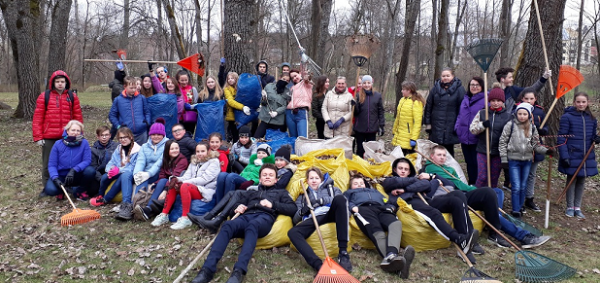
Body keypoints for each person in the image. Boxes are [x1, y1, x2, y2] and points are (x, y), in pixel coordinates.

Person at [424, 145, 551, 249]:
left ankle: (494, 230)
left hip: (461, 194)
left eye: (444, 155)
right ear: (432, 156)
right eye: (439, 155)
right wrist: (473, 189)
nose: (442, 157)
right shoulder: (431, 168)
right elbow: (456, 184)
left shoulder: (448, 168)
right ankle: (522, 235)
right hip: (451, 198)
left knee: (492, 192)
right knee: (488, 197)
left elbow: (459, 183)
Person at [191, 164, 297, 283]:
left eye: (271, 175)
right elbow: (233, 210)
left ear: (276, 179)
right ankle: (207, 270)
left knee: (253, 226)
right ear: (260, 179)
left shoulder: (281, 193)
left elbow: (292, 208)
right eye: (264, 175)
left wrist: (273, 205)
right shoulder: (251, 193)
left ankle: (239, 271)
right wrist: (237, 208)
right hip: (246, 216)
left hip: (264, 218)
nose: (267, 177)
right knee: (227, 225)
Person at [382, 158, 478, 264]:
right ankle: (458, 239)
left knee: (456, 201)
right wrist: (414, 183)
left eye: (406, 169)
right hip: (408, 203)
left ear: (409, 172)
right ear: (395, 169)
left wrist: (406, 189)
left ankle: (465, 240)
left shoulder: (413, 180)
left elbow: (426, 184)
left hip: (426, 201)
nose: (403, 171)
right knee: (434, 214)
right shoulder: (389, 180)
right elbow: (395, 182)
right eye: (400, 168)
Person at [189, 145, 297, 233]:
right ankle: (210, 217)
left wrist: (258, 185)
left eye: (281, 160)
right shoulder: (273, 169)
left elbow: (278, 187)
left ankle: (216, 220)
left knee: (235, 190)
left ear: (287, 161)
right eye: (277, 159)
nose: (278, 162)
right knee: (232, 193)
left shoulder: (287, 172)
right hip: (260, 191)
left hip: (265, 197)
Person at [345, 175, 415, 278]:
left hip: (381, 209)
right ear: (351, 187)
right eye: (356, 183)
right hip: (364, 209)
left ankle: (391, 255)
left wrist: (390, 207)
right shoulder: (349, 192)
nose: (359, 185)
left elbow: (386, 201)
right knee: (377, 232)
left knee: (395, 224)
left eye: (361, 183)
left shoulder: (375, 192)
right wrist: (353, 207)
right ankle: (395, 261)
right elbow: (344, 201)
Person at [495, 67, 551, 190]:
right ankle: (497, 184)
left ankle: (510, 183)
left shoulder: (513, 90)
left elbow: (531, 91)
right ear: (503, 79)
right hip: (497, 127)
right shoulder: (494, 91)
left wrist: (543, 78)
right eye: (510, 77)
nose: (512, 79)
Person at [287, 167, 352, 273]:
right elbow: (295, 219)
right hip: (313, 217)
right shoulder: (303, 196)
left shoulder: (332, 189)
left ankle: (343, 253)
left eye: (316, 178)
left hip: (330, 213)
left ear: (321, 179)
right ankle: (318, 265)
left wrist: (321, 201)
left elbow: (343, 203)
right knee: (293, 232)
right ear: (307, 181)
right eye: (311, 178)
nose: (313, 180)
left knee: (340, 199)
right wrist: (303, 210)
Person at [33, 70, 83, 194]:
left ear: (66, 83)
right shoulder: (45, 96)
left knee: (68, 160)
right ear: (53, 83)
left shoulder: (72, 97)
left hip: (67, 136)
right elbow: (38, 117)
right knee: (48, 161)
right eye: (57, 81)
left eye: (62, 81)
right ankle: (47, 186)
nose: (60, 84)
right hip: (49, 136)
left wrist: (79, 132)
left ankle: (67, 185)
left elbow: (77, 116)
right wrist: (38, 136)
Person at [499, 103, 552, 218]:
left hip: (527, 160)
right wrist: (504, 158)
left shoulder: (532, 127)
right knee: (516, 185)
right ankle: (515, 209)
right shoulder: (510, 125)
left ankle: (520, 205)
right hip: (514, 160)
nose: (522, 116)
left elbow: (536, 145)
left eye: (524, 114)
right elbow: (502, 142)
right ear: (516, 114)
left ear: (529, 115)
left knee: (523, 185)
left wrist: (546, 151)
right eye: (520, 113)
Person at [151, 142, 221, 229]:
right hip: (191, 187)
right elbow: (186, 176)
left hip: (205, 191)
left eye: (202, 151)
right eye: (198, 151)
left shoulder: (214, 162)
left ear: (208, 151)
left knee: (184, 186)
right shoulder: (194, 162)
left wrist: (183, 183)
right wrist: (176, 179)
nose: (200, 154)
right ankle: (164, 214)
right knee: (174, 184)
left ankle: (185, 218)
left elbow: (204, 179)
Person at [557, 92, 599, 219]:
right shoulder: (567, 117)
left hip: (586, 154)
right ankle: (570, 206)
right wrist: (564, 156)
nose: (581, 104)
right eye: (578, 102)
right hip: (572, 153)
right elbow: (561, 138)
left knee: (581, 180)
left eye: (583, 102)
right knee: (572, 179)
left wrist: (597, 139)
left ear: (588, 103)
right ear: (574, 103)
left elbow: (592, 137)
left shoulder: (592, 118)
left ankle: (577, 207)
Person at [90, 127, 141, 221]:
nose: (123, 139)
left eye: (126, 137)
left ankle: (126, 205)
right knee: (105, 176)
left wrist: (119, 170)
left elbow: (134, 167)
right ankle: (101, 195)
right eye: (121, 138)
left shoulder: (137, 150)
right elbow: (111, 163)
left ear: (131, 137)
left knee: (124, 176)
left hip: (131, 174)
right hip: (120, 171)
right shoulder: (119, 149)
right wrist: (111, 170)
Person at [134, 140, 188, 221]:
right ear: (167, 150)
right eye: (172, 149)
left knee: (163, 181)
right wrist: (155, 184)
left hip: (175, 185)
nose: (175, 150)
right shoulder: (166, 159)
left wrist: (165, 190)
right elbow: (162, 174)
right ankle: (147, 208)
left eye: (176, 148)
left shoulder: (182, 160)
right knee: (162, 180)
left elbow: (175, 177)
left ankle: (148, 209)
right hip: (167, 183)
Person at [469, 84, 512, 188]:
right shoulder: (483, 113)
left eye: (498, 100)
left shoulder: (508, 116)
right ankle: (475, 197)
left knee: (493, 178)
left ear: (502, 101)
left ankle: (490, 199)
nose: (495, 103)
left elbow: (511, 134)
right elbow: (472, 129)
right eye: (493, 100)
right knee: (482, 176)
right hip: (483, 150)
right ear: (489, 101)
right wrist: (482, 125)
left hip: (498, 152)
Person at [517, 88, 549, 212]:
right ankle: (519, 201)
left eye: (531, 99)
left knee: (531, 175)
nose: (529, 101)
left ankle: (529, 198)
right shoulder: (518, 111)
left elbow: (546, 127)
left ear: (535, 99)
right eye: (526, 99)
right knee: (521, 175)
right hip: (521, 149)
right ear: (522, 99)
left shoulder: (540, 112)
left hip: (535, 149)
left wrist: (543, 131)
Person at [44, 120, 92, 201]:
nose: (75, 132)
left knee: (90, 171)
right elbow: (52, 165)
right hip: (61, 175)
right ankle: (62, 190)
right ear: (67, 131)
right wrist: (55, 178)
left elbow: (87, 160)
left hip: (76, 174)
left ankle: (79, 191)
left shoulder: (84, 143)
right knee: (50, 190)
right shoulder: (58, 144)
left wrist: (74, 169)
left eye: (78, 130)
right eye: (73, 130)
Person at [423, 68, 465, 156]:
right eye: (443, 76)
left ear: (452, 76)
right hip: (436, 125)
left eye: (448, 76)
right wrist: (428, 123)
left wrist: (459, 125)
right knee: (435, 150)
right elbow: (429, 106)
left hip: (451, 125)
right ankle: (436, 169)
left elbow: (462, 109)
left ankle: (449, 169)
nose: (445, 78)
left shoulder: (459, 89)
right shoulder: (435, 89)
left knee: (448, 151)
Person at [454, 77, 486, 185]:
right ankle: (471, 182)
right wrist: (457, 127)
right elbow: (460, 115)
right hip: (464, 136)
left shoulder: (486, 100)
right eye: (472, 85)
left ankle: (478, 184)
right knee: (469, 162)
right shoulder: (465, 98)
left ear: (481, 87)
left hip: (477, 137)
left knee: (477, 163)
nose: (474, 87)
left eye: (477, 85)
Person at [109, 76, 151, 145]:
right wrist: (118, 126)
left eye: (135, 88)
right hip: (126, 134)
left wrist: (147, 122)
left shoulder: (141, 98)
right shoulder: (118, 100)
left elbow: (147, 112)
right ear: (125, 86)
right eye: (131, 88)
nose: (134, 90)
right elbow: (112, 115)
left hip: (141, 132)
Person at [132, 118, 169, 196]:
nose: (156, 137)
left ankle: (138, 203)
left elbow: (159, 163)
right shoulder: (144, 146)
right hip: (146, 173)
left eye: (158, 134)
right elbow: (140, 161)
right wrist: (137, 173)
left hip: (159, 173)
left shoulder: (167, 145)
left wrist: (148, 174)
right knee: (142, 178)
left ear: (163, 135)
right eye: (153, 134)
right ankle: (136, 202)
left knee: (145, 177)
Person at [353, 75, 384, 158]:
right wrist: (354, 105)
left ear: (371, 83)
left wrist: (381, 125)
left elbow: (380, 111)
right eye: (365, 83)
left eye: (368, 83)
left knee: (370, 150)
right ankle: (359, 165)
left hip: (372, 128)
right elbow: (356, 113)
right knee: (360, 149)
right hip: (360, 128)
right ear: (362, 84)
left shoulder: (377, 96)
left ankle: (369, 166)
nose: (366, 85)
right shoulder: (358, 95)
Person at [84, 125, 118, 197]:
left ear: (110, 135)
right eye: (101, 135)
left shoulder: (117, 146)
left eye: (106, 135)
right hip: (100, 175)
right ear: (98, 136)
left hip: (114, 173)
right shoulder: (93, 150)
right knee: (92, 191)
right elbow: (94, 167)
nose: (104, 137)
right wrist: (102, 179)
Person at [392, 81, 424, 155]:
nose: (401, 91)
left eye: (403, 89)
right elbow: (398, 118)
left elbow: (417, 122)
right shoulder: (402, 100)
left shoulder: (416, 102)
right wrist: (394, 131)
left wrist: (413, 138)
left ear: (409, 90)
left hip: (408, 137)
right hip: (399, 135)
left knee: (408, 160)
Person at [286, 70, 313, 138]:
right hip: (290, 113)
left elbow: (307, 79)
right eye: (292, 78)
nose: (294, 78)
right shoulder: (291, 88)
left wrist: (306, 77)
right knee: (293, 138)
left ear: (300, 74)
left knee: (302, 138)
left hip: (301, 112)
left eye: (295, 76)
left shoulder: (305, 84)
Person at [223, 72, 244, 142]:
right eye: (228, 79)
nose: (230, 80)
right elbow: (230, 101)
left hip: (242, 115)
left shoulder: (240, 88)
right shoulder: (227, 89)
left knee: (242, 134)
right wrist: (242, 107)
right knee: (235, 135)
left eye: (232, 78)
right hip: (232, 116)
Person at [176, 70, 199, 134]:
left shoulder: (192, 89)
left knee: (189, 134)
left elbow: (196, 102)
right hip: (179, 117)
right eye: (182, 80)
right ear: (178, 80)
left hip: (190, 117)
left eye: (186, 80)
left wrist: (190, 107)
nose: (184, 82)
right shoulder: (176, 89)